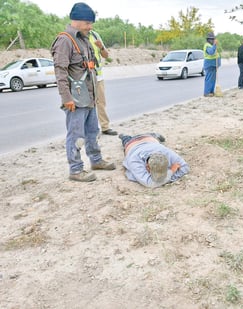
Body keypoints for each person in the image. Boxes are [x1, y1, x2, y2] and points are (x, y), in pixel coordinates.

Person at [51, 2, 115, 182]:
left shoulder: (84, 38)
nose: (90, 26)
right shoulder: (65, 40)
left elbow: (95, 63)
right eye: (88, 23)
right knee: (76, 135)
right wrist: (66, 98)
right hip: (76, 99)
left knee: (92, 132)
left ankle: (96, 160)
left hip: (90, 96)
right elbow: (60, 72)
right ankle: (76, 170)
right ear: (77, 21)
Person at [118, 133, 189, 188]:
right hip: (131, 144)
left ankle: (155, 135)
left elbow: (185, 168)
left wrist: (164, 180)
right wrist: (171, 172)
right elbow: (149, 183)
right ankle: (123, 136)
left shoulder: (167, 153)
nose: (160, 178)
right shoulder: (135, 160)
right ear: (147, 167)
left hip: (149, 139)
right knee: (125, 139)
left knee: (155, 138)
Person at [89, 30, 118, 135]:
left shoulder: (95, 35)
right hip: (85, 78)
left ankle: (105, 127)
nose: (89, 25)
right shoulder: (76, 36)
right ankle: (90, 130)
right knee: (87, 104)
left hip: (98, 76)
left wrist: (101, 46)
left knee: (101, 103)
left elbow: (106, 55)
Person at [203, 32, 219, 97]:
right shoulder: (207, 46)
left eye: (213, 39)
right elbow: (211, 53)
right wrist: (215, 45)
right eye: (211, 39)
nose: (213, 40)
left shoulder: (211, 46)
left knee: (213, 79)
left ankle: (211, 92)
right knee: (209, 79)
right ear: (208, 40)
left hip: (213, 65)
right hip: (209, 64)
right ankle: (207, 92)